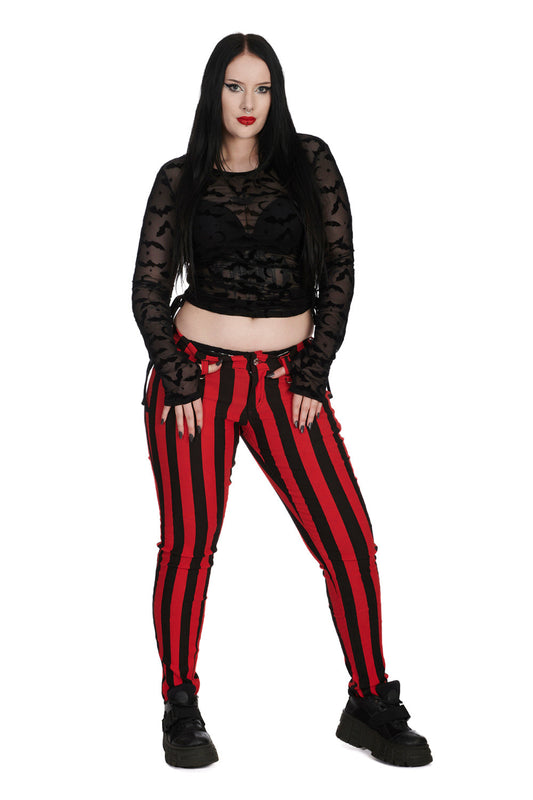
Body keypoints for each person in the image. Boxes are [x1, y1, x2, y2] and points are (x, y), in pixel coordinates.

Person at [132, 32, 432, 770]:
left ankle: (369, 700)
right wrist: (175, 377)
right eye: (234, 86)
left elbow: (341, 269)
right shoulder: (180, 177)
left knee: (348, 540)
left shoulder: (308, 161)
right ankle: (180, 704)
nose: (248, 102)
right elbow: (147, 287)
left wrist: (313, 371)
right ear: (214, 92)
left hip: (287, 381)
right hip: (195, 379)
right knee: (189, 545)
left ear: (277, 94)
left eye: (261, 88)